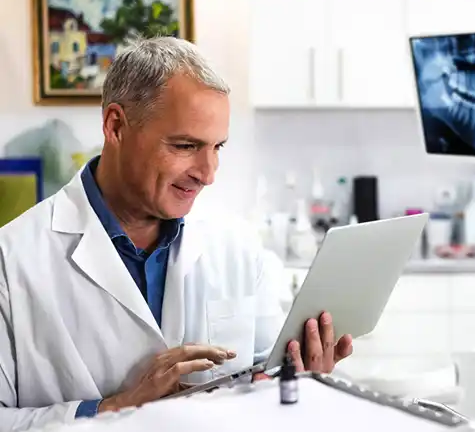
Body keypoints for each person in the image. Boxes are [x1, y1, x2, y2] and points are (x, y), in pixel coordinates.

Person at [0, 36, 353, 431]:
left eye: (218, 146)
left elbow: (265, 379)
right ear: (116, 126)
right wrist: (116, 409)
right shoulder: (11, 261)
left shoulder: (236, 244)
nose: (208, 173)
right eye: (186, 145)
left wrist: (300, 382)